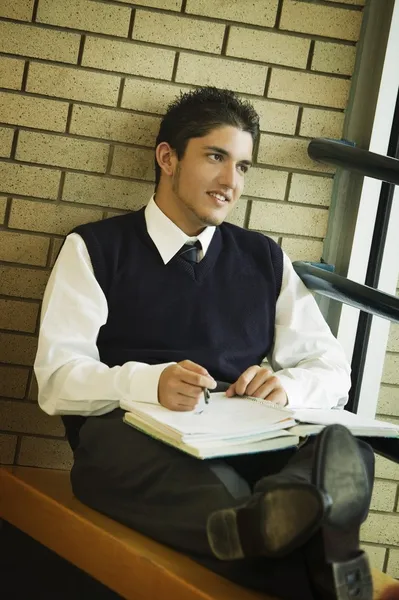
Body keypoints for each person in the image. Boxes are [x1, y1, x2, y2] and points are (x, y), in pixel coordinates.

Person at [34, 87, 374, 600]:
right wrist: (150, 381)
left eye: (242, 167)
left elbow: (330, 368)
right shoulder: (96, 248)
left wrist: (285, 386)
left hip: (243, 443)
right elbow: (57, 381)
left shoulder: (263, 258)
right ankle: (313, 547)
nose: (229, 182)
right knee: (127, 453)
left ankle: (270, 518)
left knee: (344, 449)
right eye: (216, 157)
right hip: (134, 446)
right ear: (167, 158)